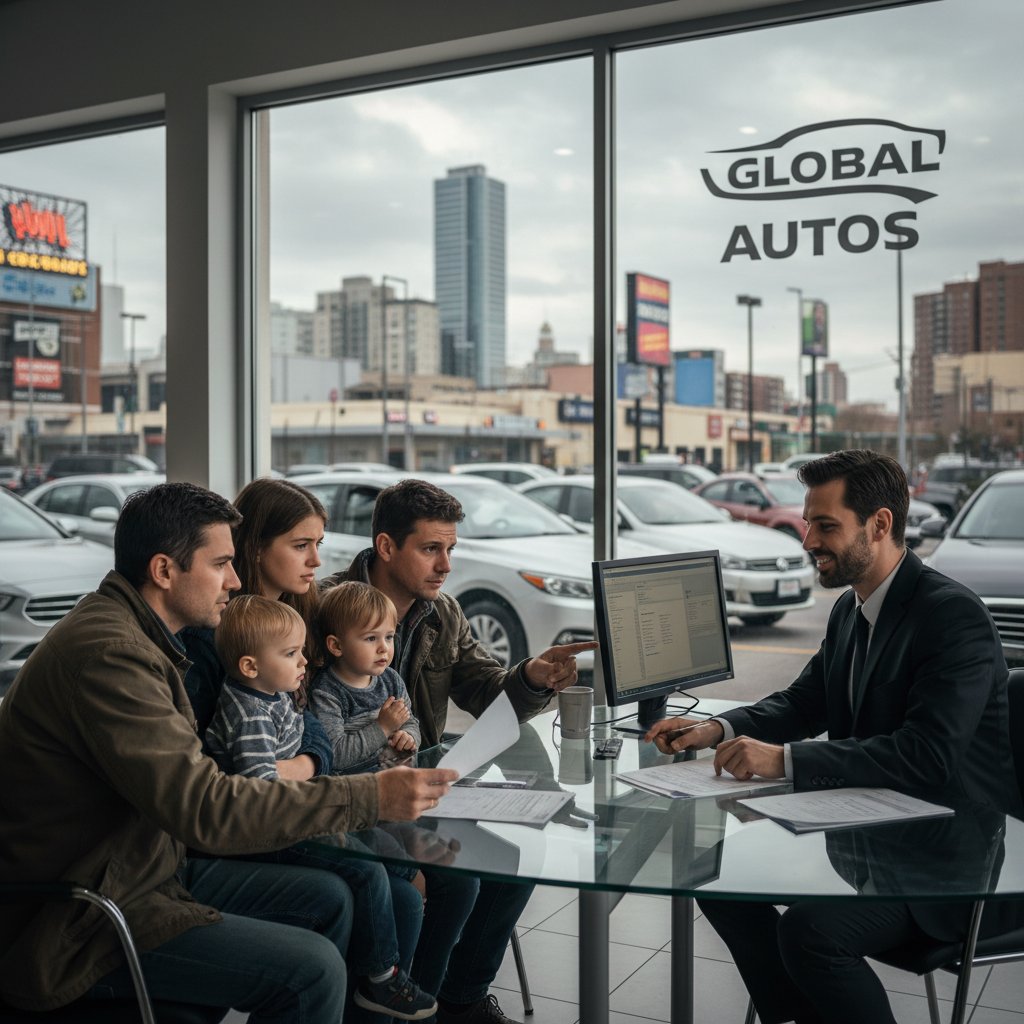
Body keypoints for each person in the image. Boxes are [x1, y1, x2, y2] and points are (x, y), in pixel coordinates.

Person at [0, 482, 455, 1021]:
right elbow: (204, 807)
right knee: (314, 969)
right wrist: (370, 796)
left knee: (334, 900)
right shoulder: (113, 656)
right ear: (164, 571)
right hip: (84, 911)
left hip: (144, 865)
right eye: (220, 564)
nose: (235, 580)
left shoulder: (143, 635)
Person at [645, 450, 1020, 1024]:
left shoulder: (952, 617)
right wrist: (717, 728)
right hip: (864, 838)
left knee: (811, 933)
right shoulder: (851, 608)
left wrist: (783, 760)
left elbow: (928, 755)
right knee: (712, 879)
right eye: (808, 524)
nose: (808, 541)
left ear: (880, 524)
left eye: (825, 526)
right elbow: (804, 702)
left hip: (944, 862)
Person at [321, 477, 598, 1024]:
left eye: (450, 549)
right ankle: (417, 1005)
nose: (445, 565)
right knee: (460, 874)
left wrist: (533, 677)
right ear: (386, 546)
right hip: (355, 793)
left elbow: (484, 690)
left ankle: (459, 999)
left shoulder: (442, 612)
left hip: (420, 788)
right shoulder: (328, 606)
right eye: (431, 549)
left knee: (516, 856)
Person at [180, 476, 429, 1013]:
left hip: (297, 788)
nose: (316, 559)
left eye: (319, 543)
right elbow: (221, 764)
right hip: (250, 817)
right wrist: (303, 764)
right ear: (255, 548)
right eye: (301, 545)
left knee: (415, 889)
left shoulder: (304, 618)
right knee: (396, 891)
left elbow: (308, 717)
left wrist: (306, 761)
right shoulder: (223, 635)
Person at [207, 593, 436, 1020]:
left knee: (394, 861)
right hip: (271, 830)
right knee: (367, 869)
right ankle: (381, 977)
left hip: (301, 807)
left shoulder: (273, 693)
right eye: (291, 654)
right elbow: (260, 791)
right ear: (250, 666)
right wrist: (313, 775)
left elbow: (308, 743)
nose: (304, 662)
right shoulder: (251, 714)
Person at [310, 580, 421, 772]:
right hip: (355, 786)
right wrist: (383, 727)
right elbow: (335, 755)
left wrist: (409, 736)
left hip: (398, 777)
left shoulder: (391, 680)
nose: (384, 648)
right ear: (336, 646)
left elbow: (409, 720)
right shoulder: (326, 692)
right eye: (371, 638)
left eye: (389, 637)